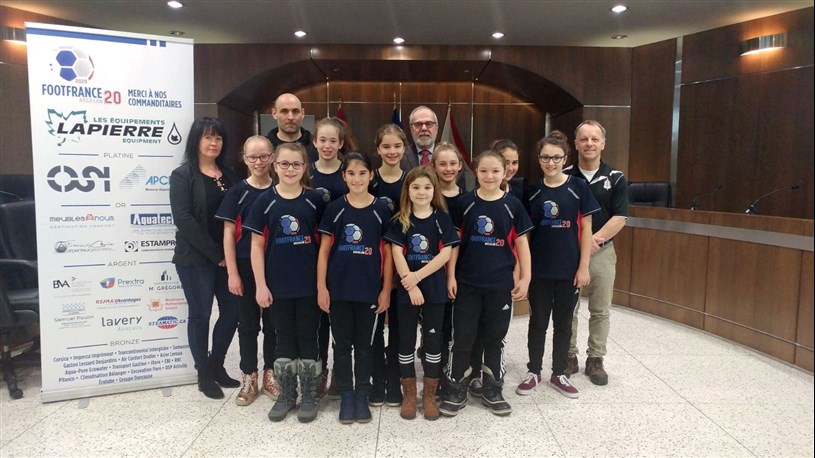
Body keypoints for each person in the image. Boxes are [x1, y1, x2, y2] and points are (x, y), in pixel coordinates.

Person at [440, 150, 533, 417]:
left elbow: (522, 243)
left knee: (495, 338)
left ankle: (493, 388)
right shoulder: (464, 203)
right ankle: (457, 386)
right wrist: (451, 276)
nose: (489, 176)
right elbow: (454, 244)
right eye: (483, 171)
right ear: (475, 172)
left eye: (495, 171)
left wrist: (526, 277)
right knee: (462, 336)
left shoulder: (513, 205)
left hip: (500, 285)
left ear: (504, 173)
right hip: (467, 284)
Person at [244, 143, 327, 423]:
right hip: (277, 286)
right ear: (274, 165)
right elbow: (256, 246)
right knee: (284, 339)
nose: (290, 169)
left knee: (309, 337)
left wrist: (322, 286)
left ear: (305, 167)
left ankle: (309, 395)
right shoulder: (264, 201)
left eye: (296, 164)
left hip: (308, 286)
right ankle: (287, 395)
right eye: (284, 164)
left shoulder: (315, 200)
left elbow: (325, 246)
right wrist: (260, 285)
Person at [516, 131, 600, 399]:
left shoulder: (578, 187)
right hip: (540, 270)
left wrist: (583, 266)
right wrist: (523, 271)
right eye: (545, 157)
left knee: (564, 323)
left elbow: (586, 229)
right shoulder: (532, 190)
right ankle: (534, 371)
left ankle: (559, 373)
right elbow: (526, 234)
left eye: (556, 158)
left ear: (565, 158)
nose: (550, 163)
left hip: (568, 270)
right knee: (538, 322)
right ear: (538, 159)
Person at [317, 152, 394, 424]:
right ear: (344, 176)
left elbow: (388, 253)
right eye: (351, 173)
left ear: (371, 175)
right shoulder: (334, 209)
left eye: (363, 173)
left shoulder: (381, 209)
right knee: (342, 346)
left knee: (364, 346)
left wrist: (386, 289)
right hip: (338, 290)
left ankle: (362, 393)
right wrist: (321, 287)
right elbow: (324, 251)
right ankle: (346, 395)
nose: (357, 178)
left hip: (369, 291)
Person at [169, 117, 241, 400]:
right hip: (196, 259)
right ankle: (203, 373)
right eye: (208, 137)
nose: (214, 143)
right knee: (200, 315)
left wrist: (228, 256)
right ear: (196, 141)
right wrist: (216, 254)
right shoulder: (182, 175)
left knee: (232, 312)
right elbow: (183, 220)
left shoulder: (229, 174)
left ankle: (217, 364)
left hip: (228, 258)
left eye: (218, 138)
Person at [385, 166, 459, 421]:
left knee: (433, 342)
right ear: (407, 190)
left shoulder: (442, 219)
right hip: (407, 291)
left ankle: (429, 394)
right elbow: (396, 253)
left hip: (434, 290)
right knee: (405, 341)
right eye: (416, 187)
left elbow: (446, 253)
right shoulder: (400, 220)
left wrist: (418, 277)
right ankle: (409, 393)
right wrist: (411, 284)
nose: (421, 192)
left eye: (427, 187)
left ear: (434, 190)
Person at [563, 120, 629, 386]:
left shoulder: (616, 177)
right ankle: (568, 355)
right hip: (568, 252)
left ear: (603, 144)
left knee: (600, 309)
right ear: (575, 143)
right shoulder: (564, 175)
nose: (589, 144)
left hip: (602, 251)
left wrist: (592, 241)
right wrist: (579, 244)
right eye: (584, 139)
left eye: (594, 139)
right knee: (568, 307)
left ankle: (595, 358)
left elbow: (620, 217)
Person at [214, 135, 277, 406]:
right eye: (253, 157)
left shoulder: (281, 190)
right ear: (244, 159)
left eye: (263, 156)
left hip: (275, 267)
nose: (258, 162)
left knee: (274, 325)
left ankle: (271, 374)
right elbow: (228, 234)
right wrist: (232, 273)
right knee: (248, 325)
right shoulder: (236, 193)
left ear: (272, 157)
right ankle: (249, 377)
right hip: (243, 266)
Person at [370, 123, 408, 407]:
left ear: (404, 148)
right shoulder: (369, 180)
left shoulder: (412, 180)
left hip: (405, 264)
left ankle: (394, 380)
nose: (392, 151)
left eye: (397, 146)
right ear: (378, 149)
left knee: (398, 327)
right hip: (373, 263)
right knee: (374, 326)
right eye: (386, 146)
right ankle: (376, 378)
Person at [309, 117, 347, 397]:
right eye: (322, 139)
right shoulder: (305, 172)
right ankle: (320, 371)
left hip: (345, 254)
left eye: (333, 140)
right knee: (319, 317)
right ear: (314, 142)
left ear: (341, 143)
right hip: (312, 251)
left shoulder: (350, 172)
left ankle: (340, 375)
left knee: (340, 318)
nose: (327, 145)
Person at [265, 93, 319, 163]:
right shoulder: (264, 148)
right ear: (274, 113)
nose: (290, 117)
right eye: (284, 111)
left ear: (302, 113)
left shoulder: (317, 147)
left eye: (295, 111)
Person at [400, 106, 438, 170]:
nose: (424, 128)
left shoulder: (447, 155)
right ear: (411, 129)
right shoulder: (401, 156)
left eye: (428, 124)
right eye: (418, 124)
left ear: (436, 128)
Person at [491, 139, 527, 203]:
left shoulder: (518, 194)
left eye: (514, 163)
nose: (510, 168)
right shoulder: (480, 194)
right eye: (506, 163)